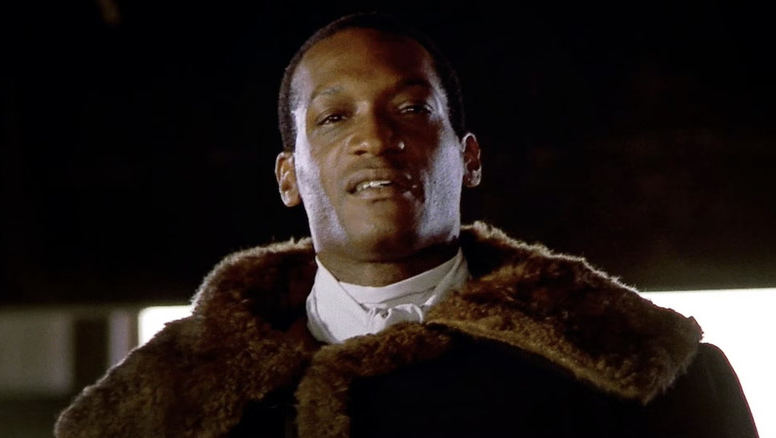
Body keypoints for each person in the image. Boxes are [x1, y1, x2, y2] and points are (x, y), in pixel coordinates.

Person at [54, 11, 758, 438]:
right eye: (334, 117)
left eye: (413, 110)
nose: (375, 138)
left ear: (469, 158)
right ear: (289, 178)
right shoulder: (150, 414)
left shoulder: (650, 376)